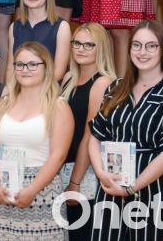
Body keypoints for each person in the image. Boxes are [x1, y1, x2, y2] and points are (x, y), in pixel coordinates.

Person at [89, 21, 163, 239]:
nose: (142, 52)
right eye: (137, 45)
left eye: (151, 46)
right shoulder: (115, 88)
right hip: (111, 189)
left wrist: (131, 189)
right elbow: (95, 137)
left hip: (154, 192)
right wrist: (102, 174)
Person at [0, 42, 73, 240]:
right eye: (20, 64)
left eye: (33, 64)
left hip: (42, 191)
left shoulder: (58, 106)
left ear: (46, 67)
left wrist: (31, 190)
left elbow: (58, 156)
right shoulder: (1, 105)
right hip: (4, 192)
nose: (25, 70)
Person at [59, 23, 116, 239]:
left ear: (101, 48)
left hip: (86, 174)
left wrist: (76, 182)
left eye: (89, 45)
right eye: (77, 43)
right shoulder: (67, 79)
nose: (81, 49)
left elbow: (90, 135)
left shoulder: (102, 82)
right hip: (63, 168)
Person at [6, 0, 70, 82]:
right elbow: (10, 69)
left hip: (48, 91)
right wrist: (10, 95)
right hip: (19, 91)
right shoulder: (14, 27)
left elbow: (58, 72)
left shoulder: (62, 27)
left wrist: (36, 91)